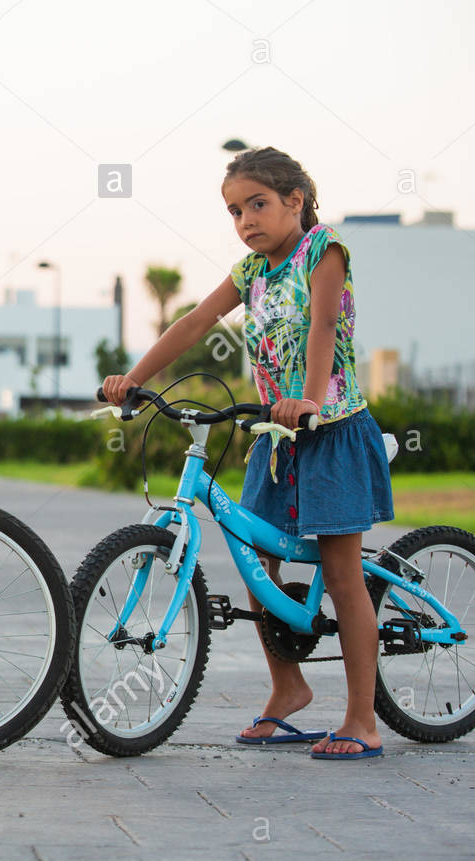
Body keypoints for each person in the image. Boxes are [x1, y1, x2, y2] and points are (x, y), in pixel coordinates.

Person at [101, 146, 394, 759]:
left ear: (295, 199)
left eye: (257, 205)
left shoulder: (324, 249)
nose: (245, 221)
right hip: (274, 439)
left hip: (330, 431)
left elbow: (321, 326)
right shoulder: (249, 272)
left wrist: (308, 400)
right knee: (259, 565)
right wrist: (132, 377)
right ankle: (288, 688)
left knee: (342, 575)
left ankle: (362, 720)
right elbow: (193, 324)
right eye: (235, 211)